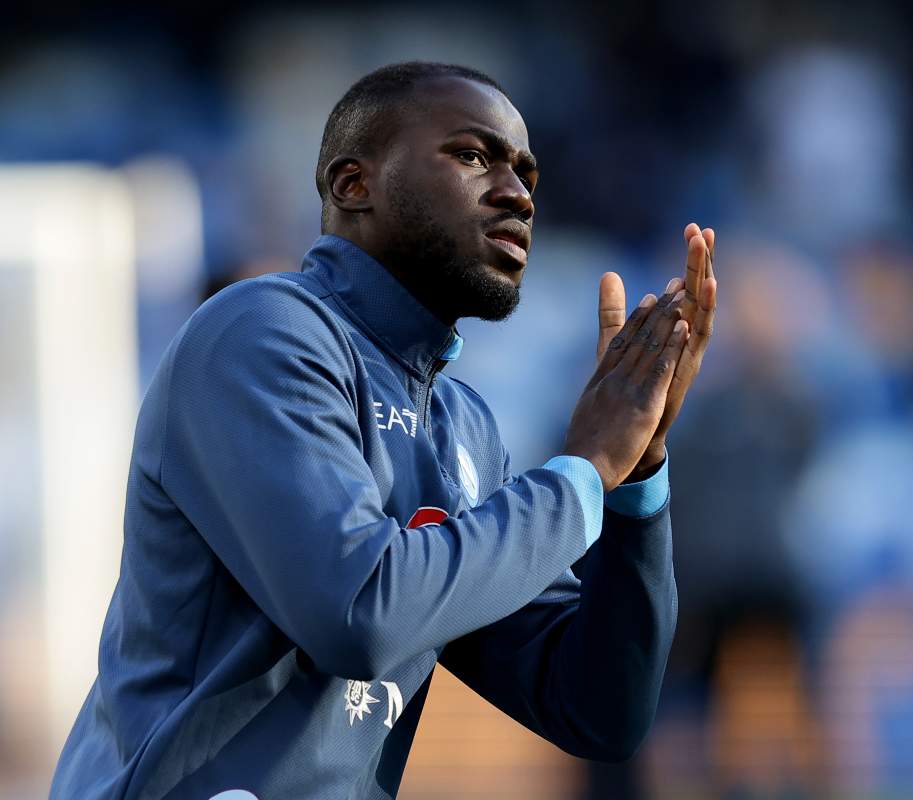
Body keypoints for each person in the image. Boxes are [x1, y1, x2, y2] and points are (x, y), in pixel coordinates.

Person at [51, 62, 717, 799]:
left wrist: (636, 476)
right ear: (352, 185)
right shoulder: (262, 333)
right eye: (472, 156)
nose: (517, 193)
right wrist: (583, 472)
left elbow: (598, 710)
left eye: (526, 171)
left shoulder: (463, 428)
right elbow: (358, 612)